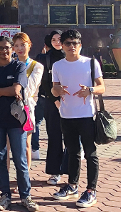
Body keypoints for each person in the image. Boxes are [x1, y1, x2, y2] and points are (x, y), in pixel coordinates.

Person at [0, 36, 39, 212]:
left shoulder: (19, 66)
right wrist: (2, 92)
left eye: (7, 48)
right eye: (0, 48)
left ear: (12, 49)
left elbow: (16, 90)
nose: (4, 51)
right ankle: (5, 195)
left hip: (15, 119)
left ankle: (25, 196)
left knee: (20, 159)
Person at [51, 30, 104, 208]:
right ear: (62, 46)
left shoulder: (90, 63)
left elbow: (102, 87)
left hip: (87, 115)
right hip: (66, 115)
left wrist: (89, 90)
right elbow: (54, 89)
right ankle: (72, 185)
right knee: (72, 152)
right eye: (68, 43)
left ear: (80, 45)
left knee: (90, 153)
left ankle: (91, 190)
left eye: (75, 43)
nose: (71, 46)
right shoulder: (58, 65)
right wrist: (58, 91)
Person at [36, 30, 69, 186]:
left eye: (60, 39)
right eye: (54, 39)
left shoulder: (69, 57)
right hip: (51, 102)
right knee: (55, 137)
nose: (57, 42)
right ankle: (55, 172)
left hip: (70, 102)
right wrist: (55, 100)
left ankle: (70, 170)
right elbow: (43, 83)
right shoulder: (44, 58)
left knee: (71, 138)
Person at [12, 32, 44, 170]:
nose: (20, 48)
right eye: (16, 45)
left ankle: (24, 179)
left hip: (26, 107)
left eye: (23, 45)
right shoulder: (10, 64)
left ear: (29, 45)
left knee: (25, 144)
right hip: (9, 106)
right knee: (9, 145)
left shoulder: (36, 66)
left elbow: (29, 89)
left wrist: (12, 89)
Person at [31, 33, 53, 159]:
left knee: (36, 122)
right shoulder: (63, 58)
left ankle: (35, 149)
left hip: (43, 96)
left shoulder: (41, 57)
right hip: (58, 97)